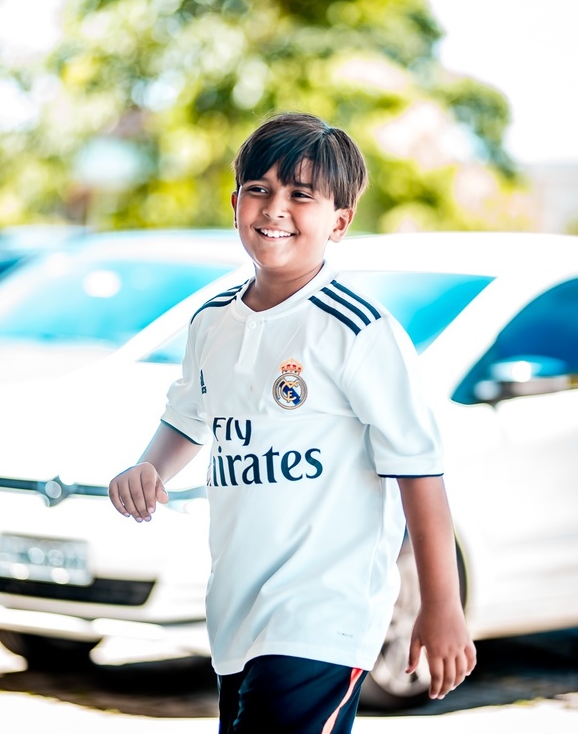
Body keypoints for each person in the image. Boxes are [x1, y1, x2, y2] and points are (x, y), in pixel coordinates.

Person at [108, 111, 476, 733]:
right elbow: (188, 418)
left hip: (324, 613)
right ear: (234, 203)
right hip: (236, 610)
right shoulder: (211, 322)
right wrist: (148, 468)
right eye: (260, 189)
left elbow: (419, 468)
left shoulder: (358, 330)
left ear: (339, 221)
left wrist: (442, 605)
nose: (275, 206)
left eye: (301, 195)